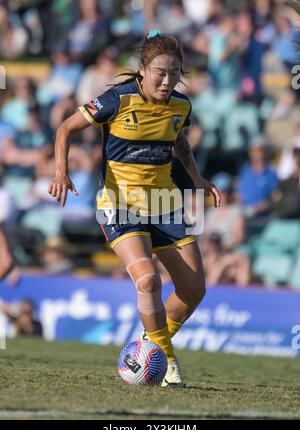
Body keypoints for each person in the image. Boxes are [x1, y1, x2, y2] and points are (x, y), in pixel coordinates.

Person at [48, 30, 221, 388]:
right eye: (160, 72)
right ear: (143, 69)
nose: (167, 79)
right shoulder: (116, 100)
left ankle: (152, 341)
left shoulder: (180, 106)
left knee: (194, 290)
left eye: (174, 73)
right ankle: (165, 359)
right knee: (148, 279)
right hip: (120, 203)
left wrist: (197, 178)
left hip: (164, 204)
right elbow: (66, 127)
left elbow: (180, 142)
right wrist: (61, 171)